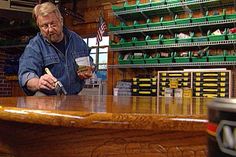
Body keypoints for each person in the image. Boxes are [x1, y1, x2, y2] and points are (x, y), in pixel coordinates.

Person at [18, 2, 94, 96]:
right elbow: (26, 75)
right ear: (39, 27)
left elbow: (88, 60)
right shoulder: (34, 46)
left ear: (61, 21)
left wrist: (88, 68)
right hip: (46, 99)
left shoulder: (76, 40)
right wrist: (38, 83)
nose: (50, 29)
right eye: (44, 26)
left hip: (74, 96)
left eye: (53, 24)